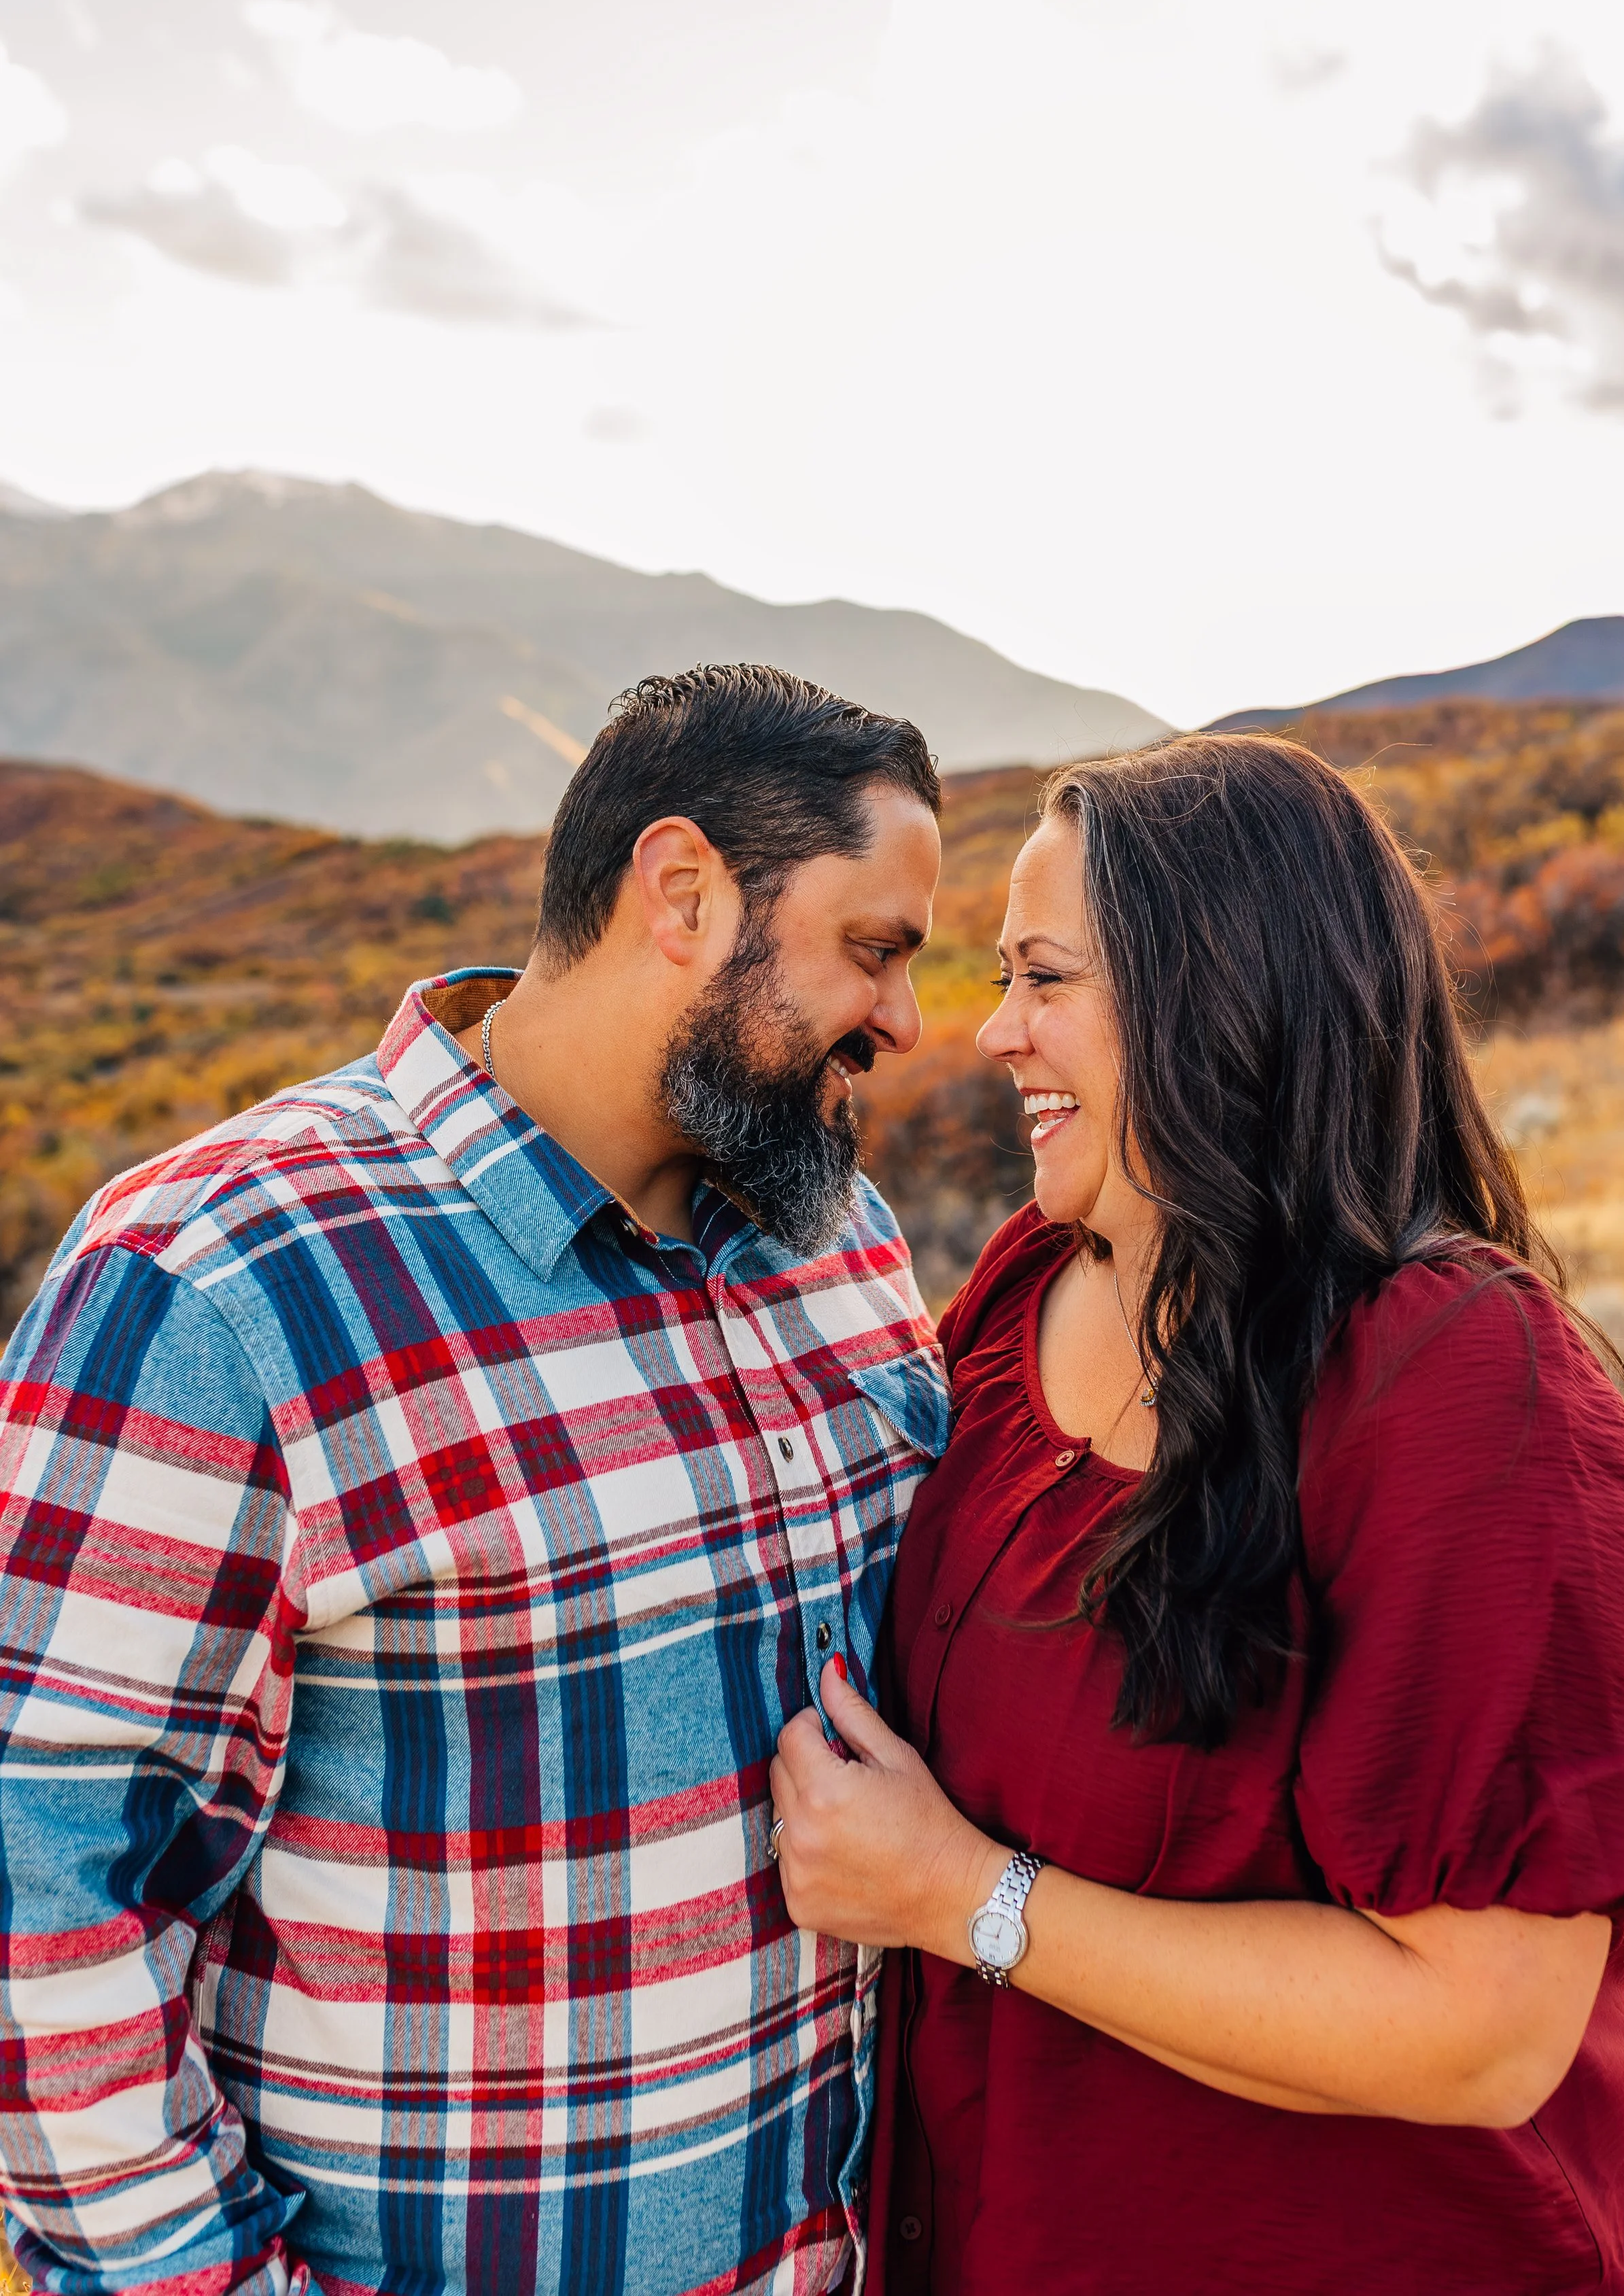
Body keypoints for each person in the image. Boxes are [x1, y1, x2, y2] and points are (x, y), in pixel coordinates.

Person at [0, 664, 950, 2296]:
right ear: (683, 893)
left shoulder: (835, 1242)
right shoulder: (218, 1283)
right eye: (872, 949)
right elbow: (43, 1908)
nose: (905, 1022)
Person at [768, 733, 1624, 2296]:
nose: (992, 1032)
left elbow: (1480, 2031)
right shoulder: (1020, 1294)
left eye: (1043, 978)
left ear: (1215, 996)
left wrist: (960, 1899)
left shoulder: (1461, 1387)